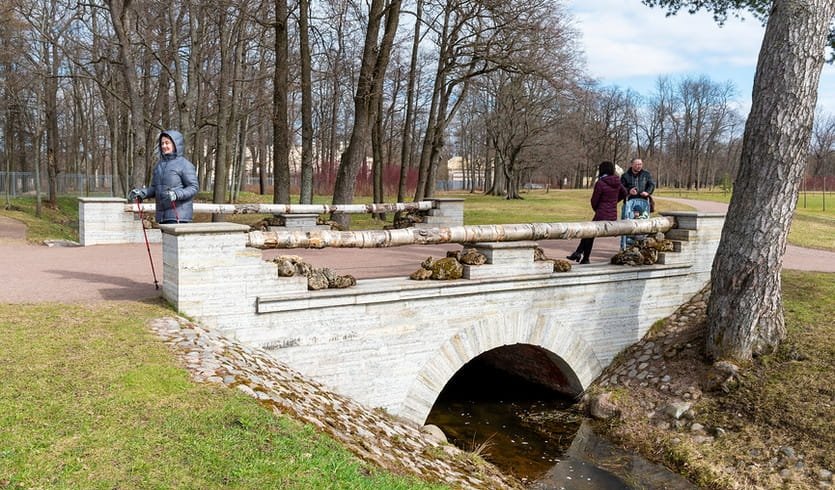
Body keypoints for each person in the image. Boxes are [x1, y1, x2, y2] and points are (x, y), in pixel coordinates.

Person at [128, 130, 198, 224]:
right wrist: (142, 193)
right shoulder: (159, 165)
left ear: (175, 144)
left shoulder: (185, 165)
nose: (164, 146)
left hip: (179, 216)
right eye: (162, 143)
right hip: (162, 216)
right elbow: (155, 188)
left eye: (167, 143)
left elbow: (193, 188)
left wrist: (176, 194)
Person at [567, 161, 627, 264]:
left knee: (589, 233)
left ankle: (582, 255)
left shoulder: (600, 182)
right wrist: (614, 202)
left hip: (601, 214)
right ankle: (581, 255)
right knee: (589, 235)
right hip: (612, 216)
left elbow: (594, 201)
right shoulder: (617, 181)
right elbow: (624, 193)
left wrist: (598, 208)